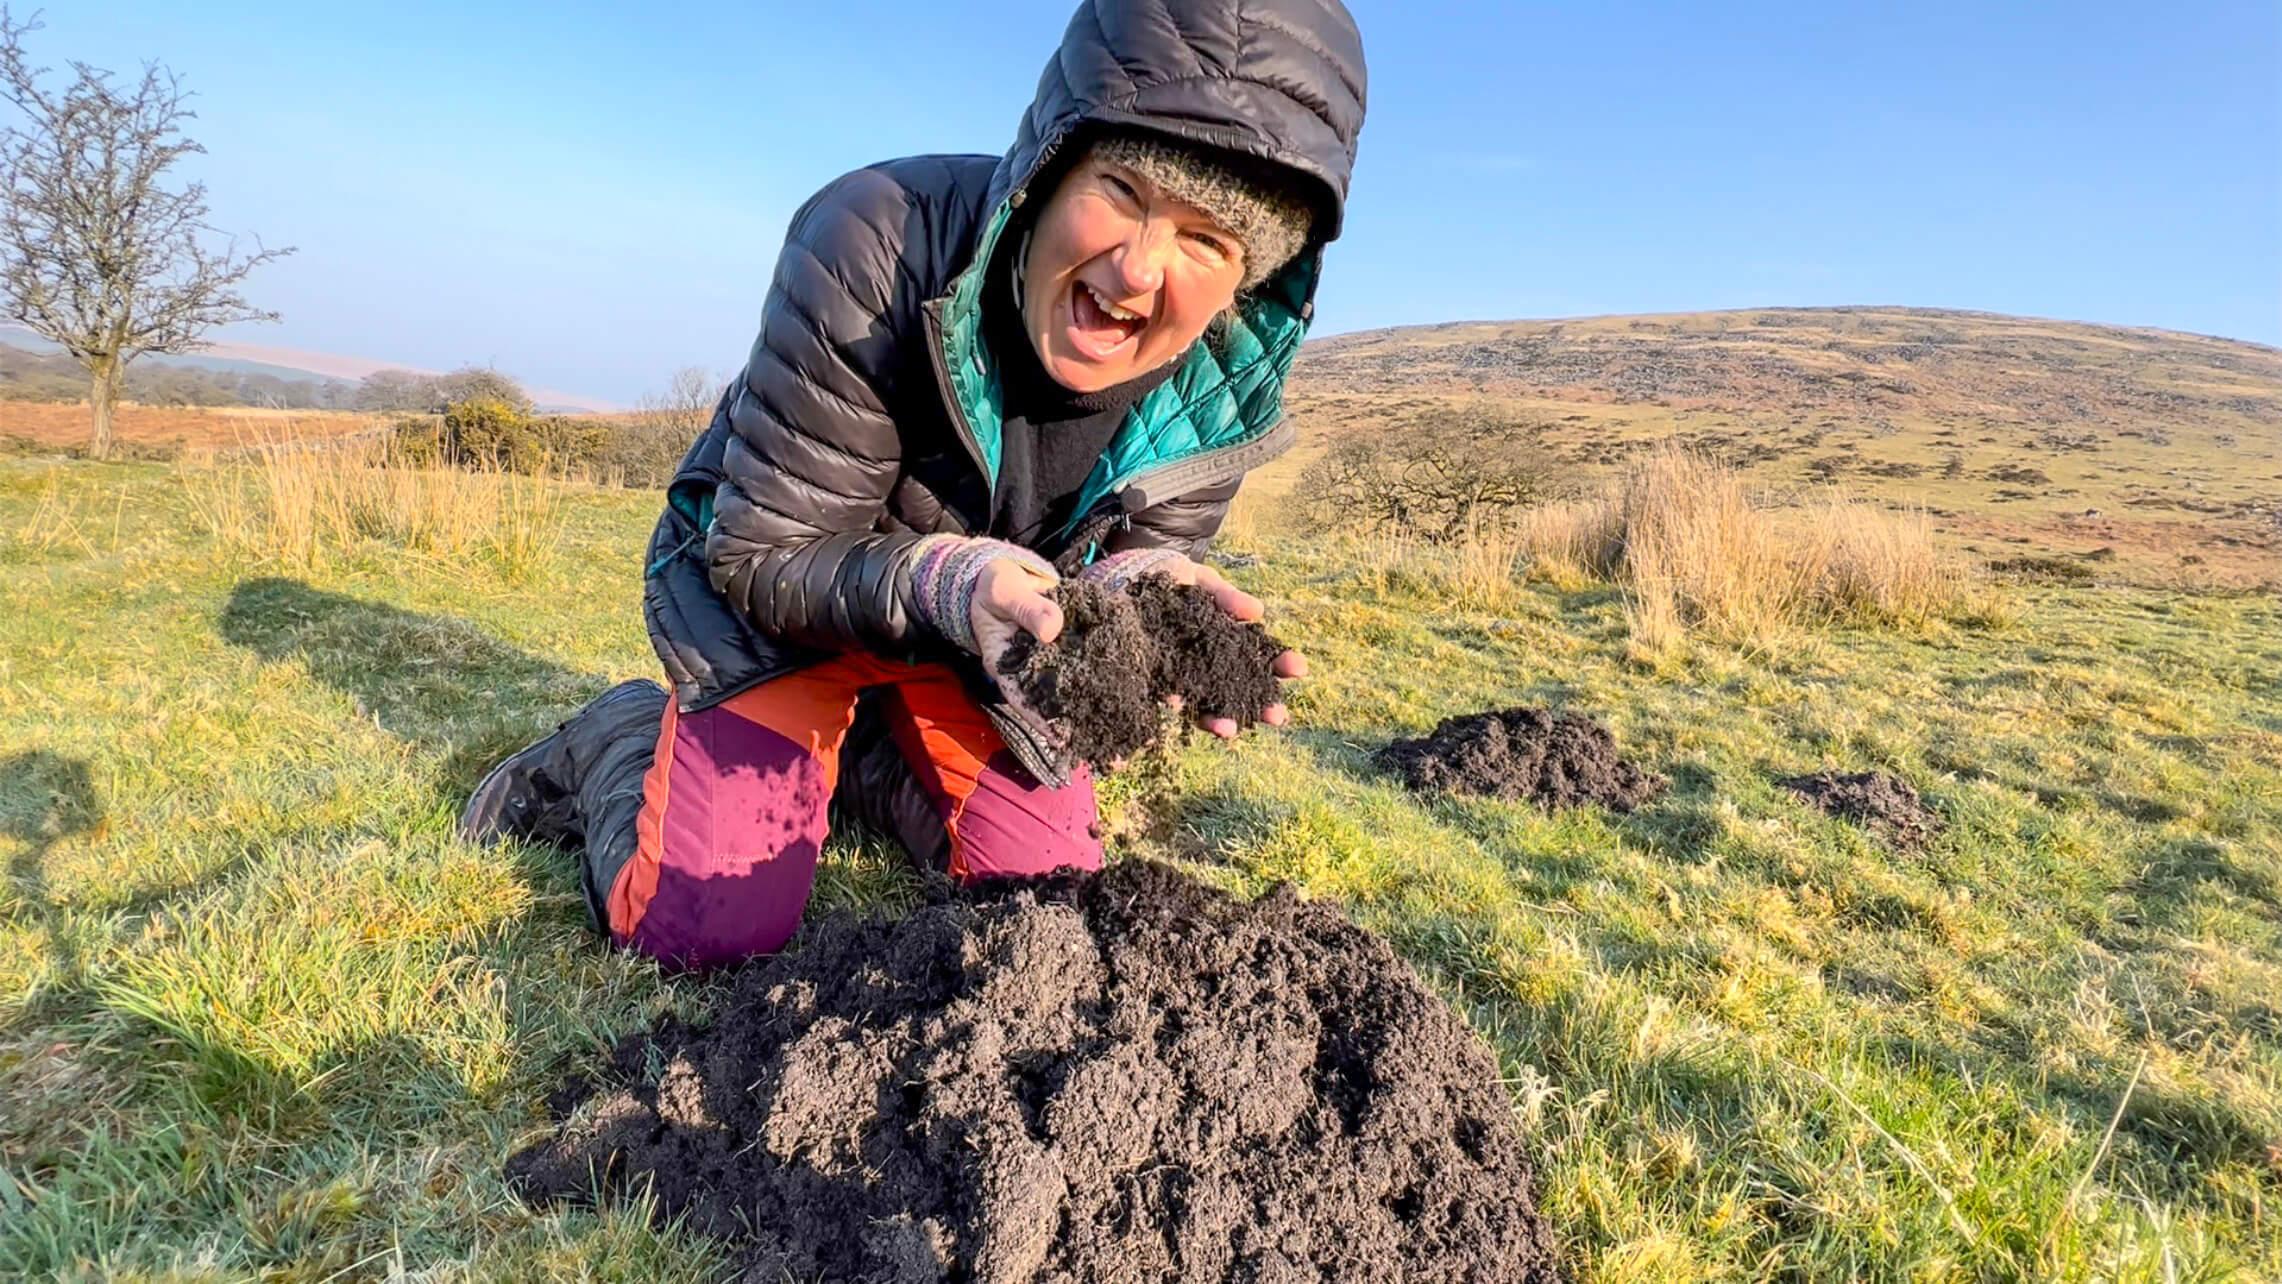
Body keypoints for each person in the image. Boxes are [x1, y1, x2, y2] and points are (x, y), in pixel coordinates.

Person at [459, 0, 1367, 969]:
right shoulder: (877, 237)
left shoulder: (1217, 382)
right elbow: (763, 553)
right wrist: (949, 581)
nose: (1137, 268)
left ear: (1246, 277)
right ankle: (618, 736)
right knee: (704, 933)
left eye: (1206, 240)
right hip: (783, 605)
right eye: (1123, 189)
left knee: (1039, 914)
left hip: (983, 646)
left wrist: (1135, 598)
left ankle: (859, 759)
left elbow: (1137, 550)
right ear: (1050, 167)